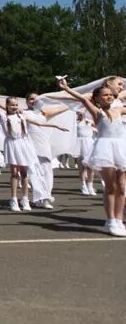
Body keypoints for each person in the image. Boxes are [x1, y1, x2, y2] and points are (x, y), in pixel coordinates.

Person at [58, 78, 126, 236]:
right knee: (111, 187)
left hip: (121, 148)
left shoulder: (120, 109)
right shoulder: (97, 112)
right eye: (104, 95)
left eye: (110, 95)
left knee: (122, 186)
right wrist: (66, 88)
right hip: (105, 149)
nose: (108, 97)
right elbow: (81, 98)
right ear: (96, 99)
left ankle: (119, 219)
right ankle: (110, 220)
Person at [76, 111, 97, 195]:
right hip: (80, 144)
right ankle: (83, 185)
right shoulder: (75, 122)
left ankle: (90, 186)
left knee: (91, 167)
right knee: (81, 167)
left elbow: (98, 128)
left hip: (89, 143)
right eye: (79, 113)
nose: (80, 114)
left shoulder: (90, 122)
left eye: (82, 113)